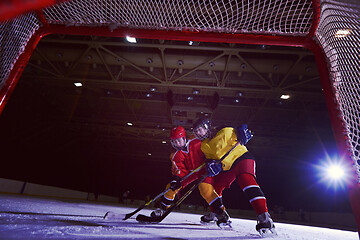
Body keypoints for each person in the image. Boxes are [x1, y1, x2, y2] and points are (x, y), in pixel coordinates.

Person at [192, 117, 276, 234]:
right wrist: (212, 166)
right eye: (196, 132)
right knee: (213, 189)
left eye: (199, 130)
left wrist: (244, 131)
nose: (198, 133)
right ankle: (219, 213)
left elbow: (243, 130)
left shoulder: (225, 130)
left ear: (206, 127)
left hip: (242, 158)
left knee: (246, 181)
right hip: (228, 167)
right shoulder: (204, 146)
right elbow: (212, 160)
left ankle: (264, 217)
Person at [151, 126, 222, 223]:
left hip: (205, 169)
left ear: (184, 137)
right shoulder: (175, 155)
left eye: (179, 140)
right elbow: (179, 169)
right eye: (174, 141)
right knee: (170, 188)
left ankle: (220, 213)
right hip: (191, 173)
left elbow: (210, 146)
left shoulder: (196, 140)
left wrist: (211, 159)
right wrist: (176, 179)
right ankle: (163, 209)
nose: (177, 143)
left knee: (205, 189)